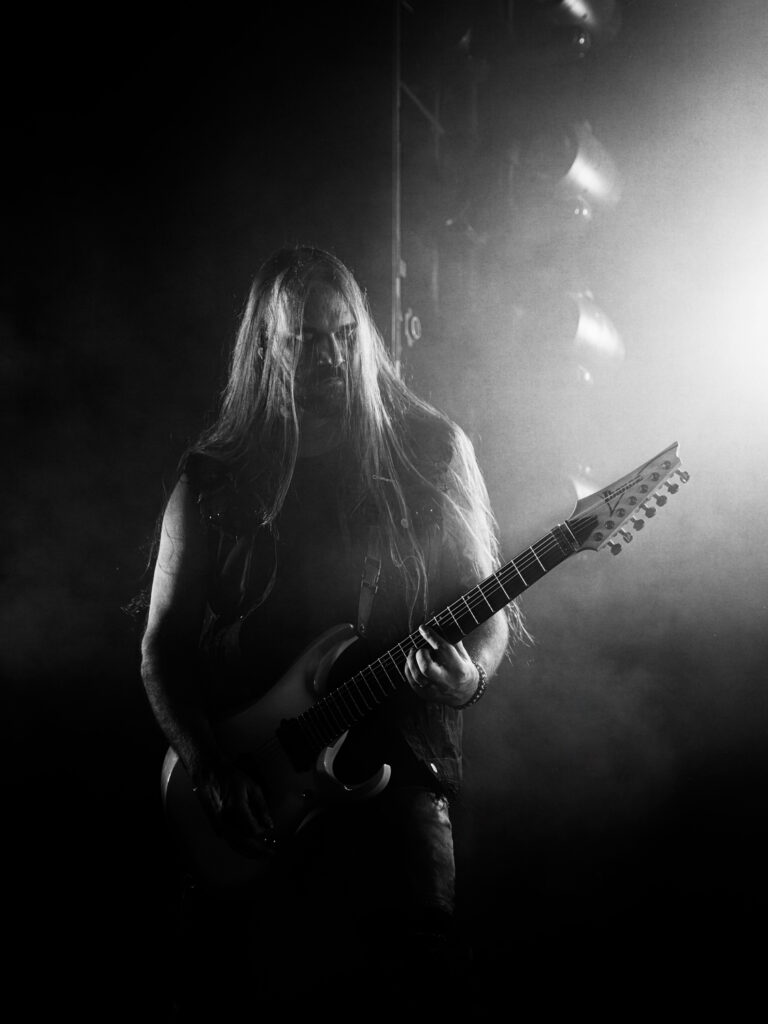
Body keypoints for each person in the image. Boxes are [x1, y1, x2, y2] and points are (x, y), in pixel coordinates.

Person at [140, 246, 524, 1017]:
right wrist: (208, 763)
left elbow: (485, 612)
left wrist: (471, 674)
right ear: (265, 347)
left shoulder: (429, 451)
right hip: (254, 789)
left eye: (344, 336)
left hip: (399, 779)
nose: (329, 358)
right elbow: (162, 648)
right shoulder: (215, 475)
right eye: (305, 340)